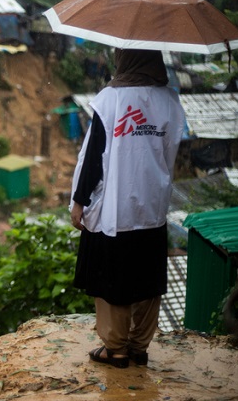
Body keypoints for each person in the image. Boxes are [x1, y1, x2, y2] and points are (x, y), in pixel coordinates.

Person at [69, 48, 185, 368]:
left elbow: (94, 157)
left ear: (125, 59)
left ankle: (116, 349)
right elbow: (170, 152)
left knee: (112, 278)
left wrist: (79, 201)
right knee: (147, 276)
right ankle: (139, 346)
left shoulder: (111, 100)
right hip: (152, 204)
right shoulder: (170, 100)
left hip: (116, 205)